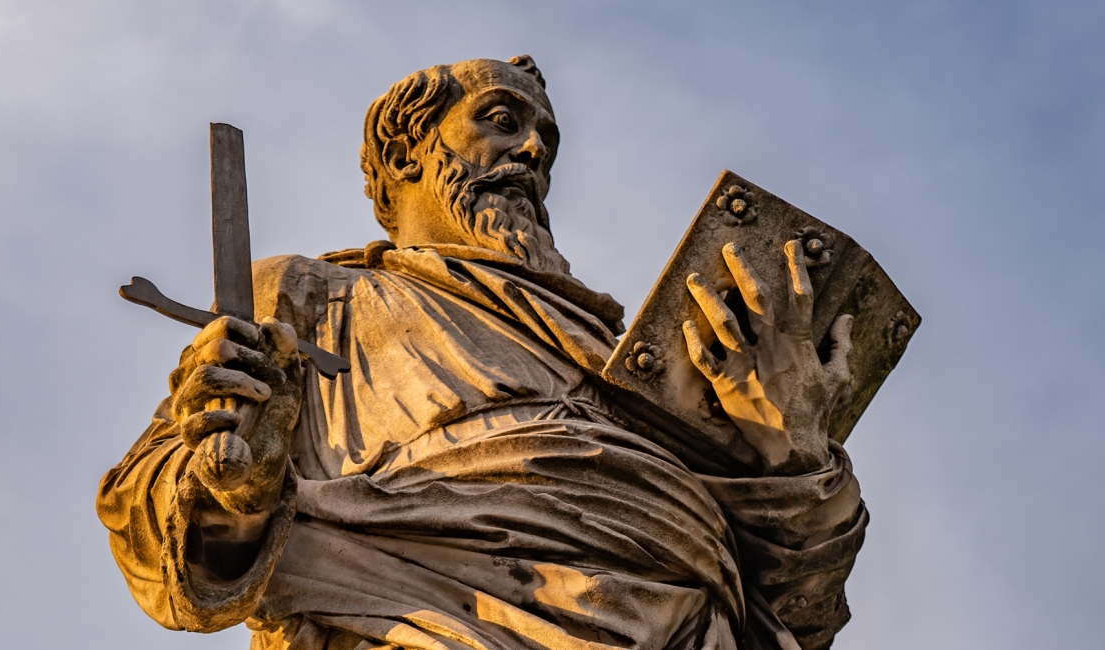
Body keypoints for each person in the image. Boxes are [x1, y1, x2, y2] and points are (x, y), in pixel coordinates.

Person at [98, 56, 866, 650]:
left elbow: (798, 620)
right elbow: (165, 550)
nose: (532, 151)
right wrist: (235, 486)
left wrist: (793, 449)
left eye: (546, 141)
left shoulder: (620, 353)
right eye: (500, 121)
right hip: (443, 623)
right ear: (405, 153)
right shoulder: (317, 295)